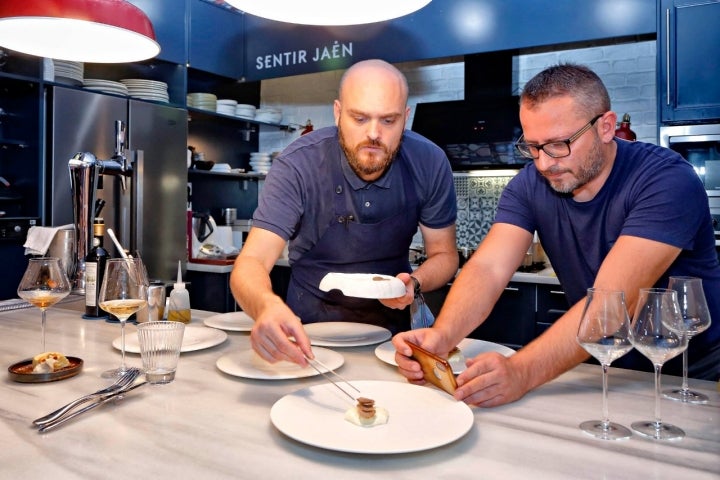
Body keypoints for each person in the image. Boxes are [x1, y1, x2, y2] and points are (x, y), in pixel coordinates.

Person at [393, 63, 720, 407]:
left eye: (559, 144)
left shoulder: (666, 180)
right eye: (533, 147)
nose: (545, 162)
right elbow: (487, 269)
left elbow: (611, 301)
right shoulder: (529, 185)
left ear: (606, 127)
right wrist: (442, 338)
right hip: (601, 363)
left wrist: (521, 371)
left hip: (689, 372)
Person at [230, 59, 458, 365]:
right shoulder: (297, 165)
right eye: (360, 118)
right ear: (338, 112)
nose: (374, 135)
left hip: (393, 337)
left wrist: (413, 282)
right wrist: (266, 307)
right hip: (307, 331)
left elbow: (445, 256)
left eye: (388, 121)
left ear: (406, 118)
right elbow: (251, 262)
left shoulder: (430, 162)